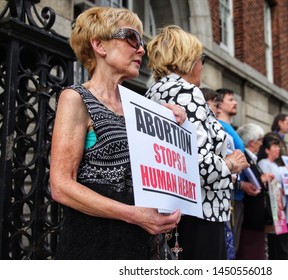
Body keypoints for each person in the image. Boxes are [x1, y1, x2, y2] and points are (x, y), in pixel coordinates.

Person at [49, 7, 187, 259]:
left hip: (142, 244)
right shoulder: (77, 98)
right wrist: (135, 215)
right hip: (96, 242)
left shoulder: (138, 106)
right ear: (99, 45)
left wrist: (167, 118)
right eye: (131, 38)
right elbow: (61, 186)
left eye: (141, 42)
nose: (141, 49)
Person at [145, 25, 249, 259]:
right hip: (200, 212)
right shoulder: (187, 93)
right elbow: (198, 165)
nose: (202, 65)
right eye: (201, 58)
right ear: (188, 59)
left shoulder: (153, 92)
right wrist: (232, 164)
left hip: (173, 209)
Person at [216, 88, 258, 254]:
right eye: (230, 99)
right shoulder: (220, 127)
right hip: (230, 194)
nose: (235, 102)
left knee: (235, 241)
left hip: (237, 195)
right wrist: (241, 184)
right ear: (219, 103)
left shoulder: (230, 128)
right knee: (229, 243)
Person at [200, 87, 235, 260]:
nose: (219, 110)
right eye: (216, 105)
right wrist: (231, 165)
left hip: (220, 203)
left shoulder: (214, 125)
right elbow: (204, 167)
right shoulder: (204, 125)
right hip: (207, 207)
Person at [236, 123, 274, 259]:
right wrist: (262, 178)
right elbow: (243, 180)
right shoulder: (244, 156)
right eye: (260, 140)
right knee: (249, 251)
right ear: (252, 142)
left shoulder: (253, 158)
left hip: (256, 216)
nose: (261, 144)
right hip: (250, 215)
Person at [258, 132, 288, 260]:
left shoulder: (277, 165)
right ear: (267, 150)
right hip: (273, 204)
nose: (278, 149)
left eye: (278, 146)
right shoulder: (264, 163)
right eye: (275, 147)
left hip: (280, 204)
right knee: (273, 235)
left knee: (280, 233)